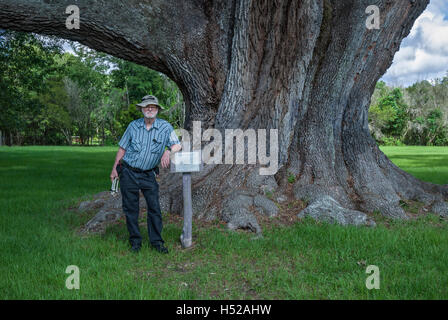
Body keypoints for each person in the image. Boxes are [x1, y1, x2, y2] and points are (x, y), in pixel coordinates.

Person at [110, 95, 182, 254]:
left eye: (153, 107)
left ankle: (157, 242)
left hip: (149, 174)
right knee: (131, 209)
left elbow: (177, 144)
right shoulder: (133, 126)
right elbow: (122, 148)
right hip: (128, 171)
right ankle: (135, 242)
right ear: (142, 109)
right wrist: (115, 168)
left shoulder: (165, 127)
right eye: (146, 106)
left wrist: (168, 151)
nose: (150, 109)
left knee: (154, 208)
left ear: (157, 110)